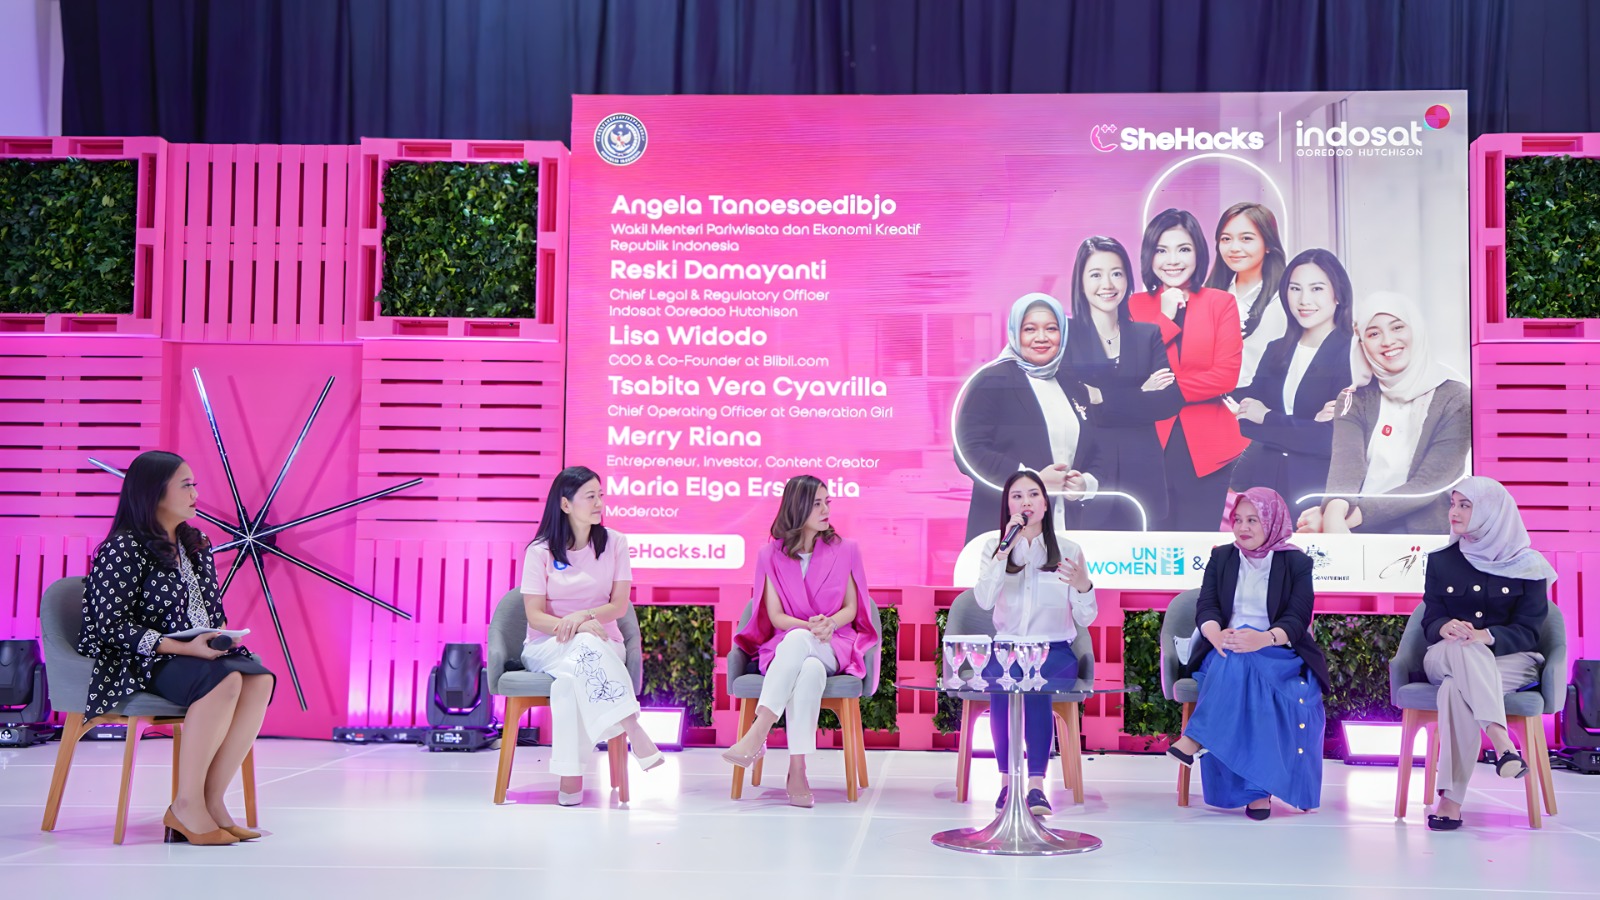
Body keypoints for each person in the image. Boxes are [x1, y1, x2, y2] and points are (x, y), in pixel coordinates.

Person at [80, 451, 275, 846]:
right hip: (138, 660)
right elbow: (110, 627)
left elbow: (212, 610)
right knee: (224, 681)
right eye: (185, 485)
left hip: (190, 654)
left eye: (194, 485)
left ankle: (211, 801)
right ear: (154, 493)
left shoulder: (194, 543)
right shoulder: (123, 548)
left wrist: (220, 636)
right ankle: (187, 805)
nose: (195, 494)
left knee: (258, 679)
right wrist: (184, 648)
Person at [1166, 487, 1328, 819]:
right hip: (1223, 647)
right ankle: (1258, 792)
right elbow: (1207, 606)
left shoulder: (1296, 562)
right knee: (1237, 657)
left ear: (1272, 521)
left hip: (1277, 650)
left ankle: (1196, 738)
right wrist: (1216, 635)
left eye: (1253, 520)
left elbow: (1298, 617)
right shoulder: (1222, 557)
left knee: (1245, 663)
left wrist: (1263, 638)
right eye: (1237, 519)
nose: (1243, 527)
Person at [726, 475, 877, 807]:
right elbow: (775, 616)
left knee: (802, 644)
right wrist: (809, 627)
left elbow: (852, 607)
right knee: (808, 668)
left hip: (834, 642)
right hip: (789, 645)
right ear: (798, 507)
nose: (826, 510)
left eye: (827, 502)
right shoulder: (769, 555)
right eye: (817, 503)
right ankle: (798, 771)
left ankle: (758, 732)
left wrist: (829, 624)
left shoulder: (846, 550)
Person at [520, 466, 662, 807]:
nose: (599, 503)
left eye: (601, 495)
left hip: (604, 643)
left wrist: (583, 617)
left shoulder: (615, 543)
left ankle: (570, 778)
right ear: (565, 504)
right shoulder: (540, 551)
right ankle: (632, 726)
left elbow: (618, 606)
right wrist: (575, 627)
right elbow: (534, 616)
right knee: (583, 643)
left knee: (568, 683)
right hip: (546, 645)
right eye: (590, 497)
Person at [1417, 476, 1554, 831]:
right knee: (1461, 649)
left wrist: (1486, 636)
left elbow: (1530, 631)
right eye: (1453, 503)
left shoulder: (1529, 564)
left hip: (1511, 660)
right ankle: (1501, 740)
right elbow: (1430, 618)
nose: (1454, 512)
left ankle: (1450, 801)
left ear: (1492, 511)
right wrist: (1444, 627)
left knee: (1454, 690)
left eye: (1465, 505)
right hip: (1444, 654)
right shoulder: (1442, 561)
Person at [972, 469, 1096, 817]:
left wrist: (1084, 586)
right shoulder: (994, 548)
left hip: (1054, 650)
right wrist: (1003, 553)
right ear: (1008, 506)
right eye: (1017, 496)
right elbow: (983, 600)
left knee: (1035, 681)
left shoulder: (1069, 550)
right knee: (1003, 682)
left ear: (1045, 504)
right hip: (1007, 649)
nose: (1025, 501)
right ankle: (1006, 783)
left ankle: (1037, 786)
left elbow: (1086, 618)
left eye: (1033, 494)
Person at [1300, 292, 1469, 535]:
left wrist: (1344, 519)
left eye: (1397, 327)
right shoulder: (1353, 399)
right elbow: (1346, 468)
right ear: (1362, 343)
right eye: (1373, 334)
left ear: (1416, 329)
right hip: (1360, 532)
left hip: (1425, 535)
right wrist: (1333, 514)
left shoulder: (1456, 397)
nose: (1387, 341)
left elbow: (1429, 484)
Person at [1128, 208, 1248, 531]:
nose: (1173, 260)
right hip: (1149, 446)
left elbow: (1226, 376)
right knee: (1154, 547)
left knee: (1198, 546)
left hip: (1208, 450)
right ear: (1149, 255)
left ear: (1198, 252)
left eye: (1183, 249)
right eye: (1162, 250)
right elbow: (1133, 371)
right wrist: (1165, 317)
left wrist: (1165, 391)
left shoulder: (1220, 303)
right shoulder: (1134, 306)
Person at [954, 292, 1103, 542]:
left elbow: (1095, 450)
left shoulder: (1073, 386)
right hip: (1005, 530)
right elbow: (968, 452)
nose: (1041, 337)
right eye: (1030, 329)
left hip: (1065, 530)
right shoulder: (993, 380)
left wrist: (1085, 484)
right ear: (1015, 333)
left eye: (1051, 328)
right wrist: (1031, 482)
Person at [1064, 236, 1181, 531]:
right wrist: (1141, 393)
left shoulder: (1147, 335)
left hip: (1142, 475)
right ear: (1080, 282)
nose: (1108, 284)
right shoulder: (1066, 334)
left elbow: (1169, 402)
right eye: (1096, 274)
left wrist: (1101, 397)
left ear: (1128, 279)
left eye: (1116, 273)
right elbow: (1073, 401)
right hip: (1089, 474)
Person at [1230, 249, 1355, 516]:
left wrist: (1267, 418)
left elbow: (1330, 439)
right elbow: (1247, 422)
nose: (1304, 300)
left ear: (1338, 294)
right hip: (1265, 487)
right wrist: (1305, 427)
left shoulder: (1352, 353)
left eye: (1317, 288)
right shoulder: (1276, 350)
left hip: (1316, 493)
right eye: (1295, 288)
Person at [1205, 202, 1289, 389]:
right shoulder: (1209, 294)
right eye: (1226, 239)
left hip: (1262, 400)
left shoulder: (1285, 297)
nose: (1234, 248)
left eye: (1246, 238)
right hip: (1212, 396)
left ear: (1268, 244)